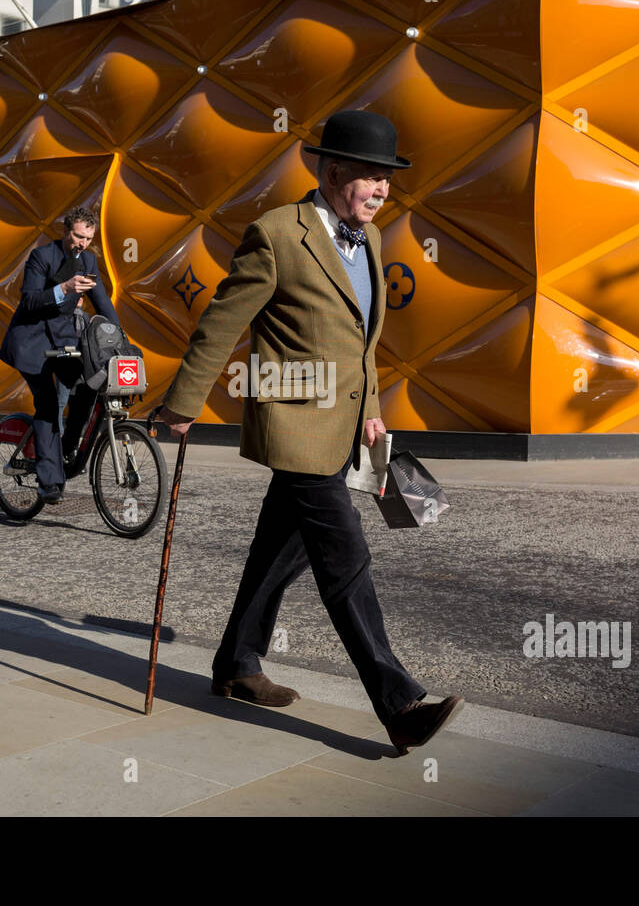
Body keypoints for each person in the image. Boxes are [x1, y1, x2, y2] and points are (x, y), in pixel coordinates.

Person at [159, 110, 464, 756]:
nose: (383, 192)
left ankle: (236, 665)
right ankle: (399, 704)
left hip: (344, 425)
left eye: (388, 181)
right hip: (295, 423)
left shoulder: (372, 241)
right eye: (372, 179)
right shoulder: (277, 235)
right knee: (343, 554)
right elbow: (222, 322)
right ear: (332, 174)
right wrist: (183, 403)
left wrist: (372, 406)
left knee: (279, 549)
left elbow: (360, 340)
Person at [0, 207, 120, 503]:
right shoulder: (42, 256)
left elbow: (103, 304)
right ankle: (49, 482)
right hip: (31, 341)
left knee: (88, 385)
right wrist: (63, 288)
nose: (83, 243)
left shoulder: (89, 260)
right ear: (66, 231)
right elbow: (28, 301)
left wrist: (120, 339)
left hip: (63, 339)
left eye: (89, 238)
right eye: (79, 236)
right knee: (48, 404)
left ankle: (65, 450)